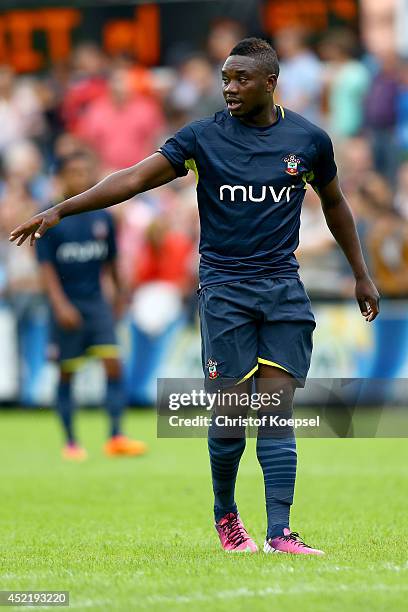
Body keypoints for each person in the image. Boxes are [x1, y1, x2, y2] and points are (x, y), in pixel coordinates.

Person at [10, 38, 379, 553]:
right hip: (225, 291)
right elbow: (135, 178)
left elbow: (336, 203)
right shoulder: (203, 137)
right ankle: (227, 516)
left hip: (283, 290)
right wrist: (62, 208)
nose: (229, 87)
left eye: (240, 79)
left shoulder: (309, 140)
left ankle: (280, 532)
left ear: (270, 83)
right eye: (225, 78)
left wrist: (361, 273)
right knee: (229, 418)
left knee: (275, 412)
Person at [33, 151, 147, 460]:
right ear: (62, 177)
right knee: (67, 372)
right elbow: (45, 268)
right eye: (74, 172)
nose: (81, 178)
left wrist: (121, 294)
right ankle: (71, 442)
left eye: (86, 172)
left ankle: (116, 436)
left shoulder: (103, 216)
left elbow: (111, 261)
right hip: (67, 305)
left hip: (97, 302)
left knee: (113, 364)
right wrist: (59, 306)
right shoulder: (50, 217)